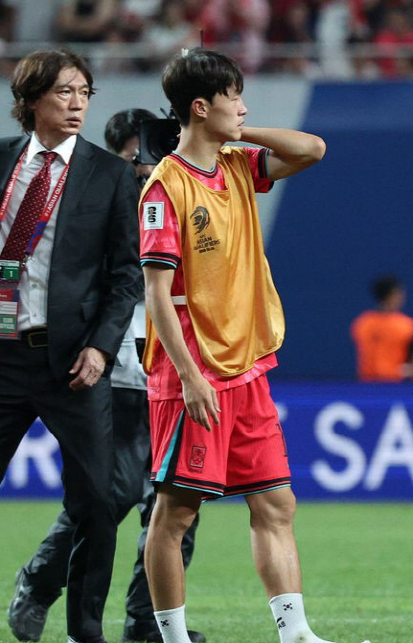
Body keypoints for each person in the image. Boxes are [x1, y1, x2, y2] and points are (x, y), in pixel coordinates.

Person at [139, 48, 368, 643]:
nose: (243, 105)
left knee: (275, 505)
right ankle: (171, 637)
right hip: (193, 370)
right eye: (234, 97)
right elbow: (157, 295)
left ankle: (296, 635)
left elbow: (312, 149)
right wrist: (188, 376)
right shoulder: (166, 188)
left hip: (247, 366)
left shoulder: (238, 167)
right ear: (199, 107)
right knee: (177, 513)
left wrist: (235, 132)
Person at [0, 48, 141, 643]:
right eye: (64, 92)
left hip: (74, 364)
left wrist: (101, 348)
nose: (77, 104)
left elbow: (126, 274)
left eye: (84, 93)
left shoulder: (111, 174)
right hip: (0, 355)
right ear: (32, 100)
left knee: (98, 501)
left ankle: (85, 630)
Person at [6, 109, 205, 643]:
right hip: (115, 371)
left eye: (150, 157)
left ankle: (147, 624)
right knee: (109, 496)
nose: (142, 169)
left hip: (174, 369)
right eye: (132, 159)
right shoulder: (90, 202)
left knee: (179, 506)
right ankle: (39, 581)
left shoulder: (179, 195)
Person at [351, 275, 413, 381]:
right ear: (393, 295)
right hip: (392, 386)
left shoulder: (362, 322)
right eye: (400, 294)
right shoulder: (406, 325)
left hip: (368, 384)